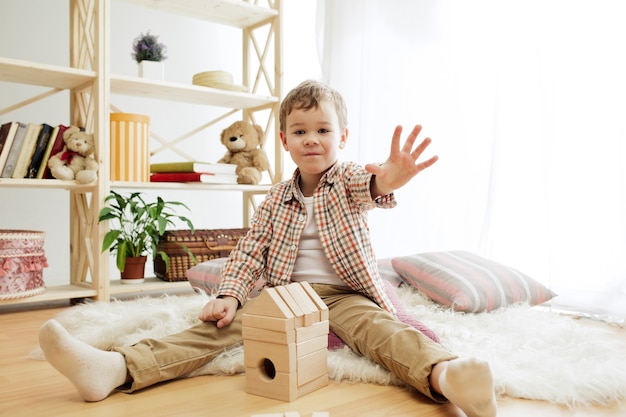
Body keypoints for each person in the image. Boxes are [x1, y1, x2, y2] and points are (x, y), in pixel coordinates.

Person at [39, 80, 497, 417]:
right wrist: (231, 296)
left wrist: (388, 180)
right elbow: (249, 252)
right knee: (215, 332)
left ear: (344, 138)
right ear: (283, 141)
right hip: (285, 297)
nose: (311, 139)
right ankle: (117, 369)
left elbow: (371, 186)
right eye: (299, 132)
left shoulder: (350, 179)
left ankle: (447, 377)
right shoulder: (276, 198)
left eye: (323, 130)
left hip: (346, 295)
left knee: (385, 334)